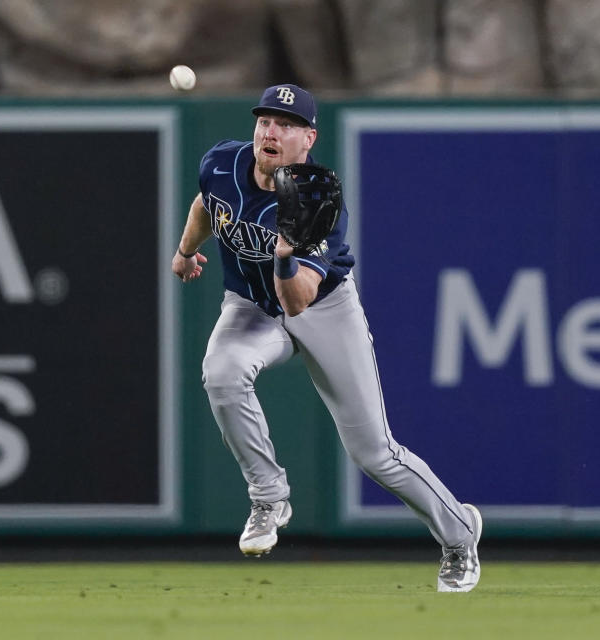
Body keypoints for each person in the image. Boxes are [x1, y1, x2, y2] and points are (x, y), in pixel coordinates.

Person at [170, 84, 482, 592]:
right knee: (221, 373)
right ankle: (269, 496)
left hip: (323, 306)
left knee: (374, 453)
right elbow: (209, 203)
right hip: (250, 305)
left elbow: (297, 302)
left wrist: (286, 251)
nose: (272, 132)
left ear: (308, 139)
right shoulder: (223, 163)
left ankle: (460, 533)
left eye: (287, 125)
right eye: (266, 120)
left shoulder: (316, 203)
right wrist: (185, 251)